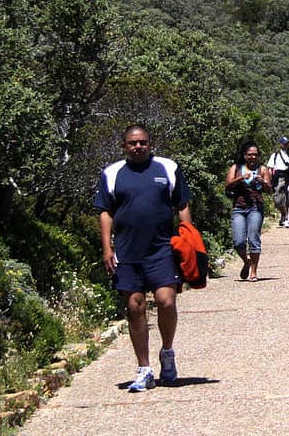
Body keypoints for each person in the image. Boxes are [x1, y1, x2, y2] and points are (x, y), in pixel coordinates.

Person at [94, 124, 192, 392]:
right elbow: (105, 212)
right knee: (135, 307)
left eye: (143, 142)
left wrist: (189, 239)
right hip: (127, 251)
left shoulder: (168, 169)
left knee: (166, 301)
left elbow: (181, 204)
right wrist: (107, 248)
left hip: (162, 249)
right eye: (132, 143)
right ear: (124, 146)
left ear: (150, 144)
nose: (138, 147)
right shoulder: (112, 174)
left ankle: (167, 353)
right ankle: (144, 368)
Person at [225, 141, 272, 282]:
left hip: (256, 207)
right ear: (245, 155)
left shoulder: (262, 169)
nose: (253, 157)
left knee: (254, 238)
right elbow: (228, 184)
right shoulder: (236, 168)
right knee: (238, 241)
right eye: (250, 155)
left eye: (255, 155)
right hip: (239, 207)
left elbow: (270, 189)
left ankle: (253, 271)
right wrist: (240, 178)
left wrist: (263, 182)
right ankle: (246, 261)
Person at [267, 136, 289, 227]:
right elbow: (270, 168)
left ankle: (287, 218)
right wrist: (270, 179)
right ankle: (283, 213)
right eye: (284, 143)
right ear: (280, 144)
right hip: (279, 177)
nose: (285, 145)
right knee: (277, 198)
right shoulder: (275, 155)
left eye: (287, 143)